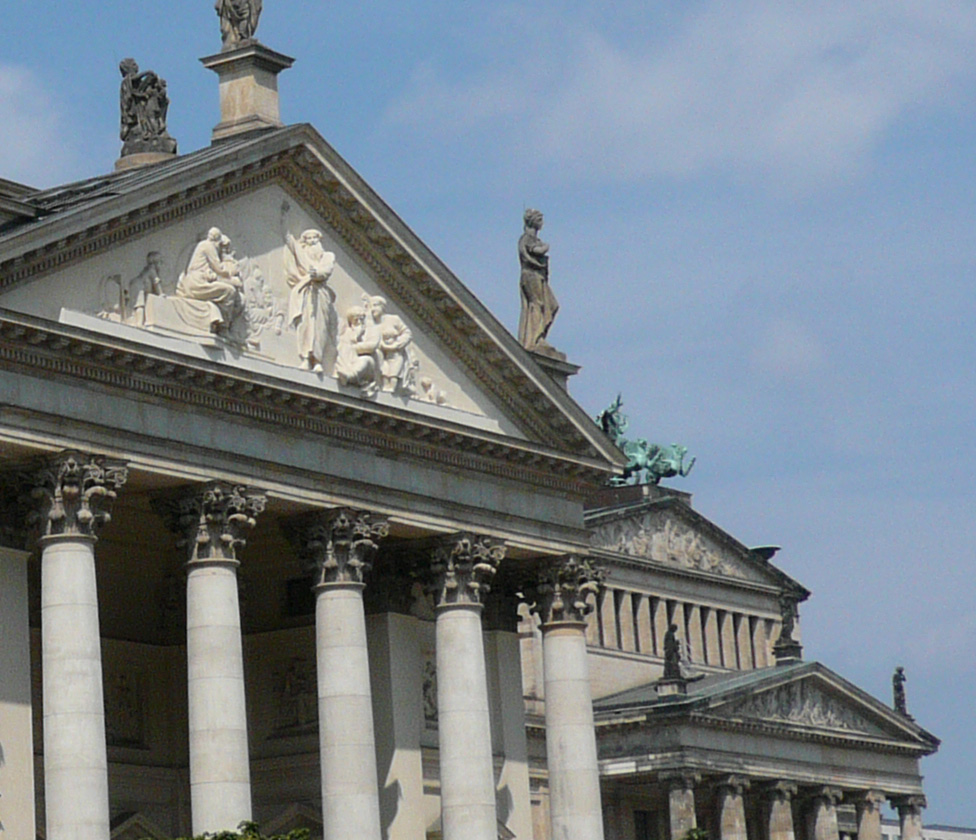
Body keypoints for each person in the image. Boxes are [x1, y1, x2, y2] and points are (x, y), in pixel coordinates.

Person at [284, 230, 337, 372]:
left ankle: (318, 360)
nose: (313, 241)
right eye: (309, 238)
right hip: (306, 294)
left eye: (315, 238)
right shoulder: (303, 256)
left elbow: (327, 269)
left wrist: (317, 274)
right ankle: (306, 358)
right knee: (305, 326)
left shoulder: (328, 256)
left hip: (321, 294)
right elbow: (294, 247)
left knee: (320, 327)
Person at [175, 228, 244, 333]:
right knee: (229, 291)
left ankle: (221, 322)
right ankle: (224, 328)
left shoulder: (203, 247)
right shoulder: (208, 246)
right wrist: (231, 276)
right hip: (197, 284)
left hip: (196, 282)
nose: (221, 250)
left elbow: (213, 273)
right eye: (221, 246)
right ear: (217, 240)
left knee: (229, 292)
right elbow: (219, 269)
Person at [517, 208, 559, 353]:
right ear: (533, 221)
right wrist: (546, 247)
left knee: (551, 305)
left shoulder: (535, 239)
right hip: (531, 275)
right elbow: (537, 251)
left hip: (538, 276)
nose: (542, 223)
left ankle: (539, 336)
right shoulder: (527, 239)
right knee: (537, 304)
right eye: (540, 219)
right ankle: (534, 340)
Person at [364, 295, 415, 393]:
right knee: (384, 371)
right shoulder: (371, 324)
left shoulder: (393, 319)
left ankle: (391, 388)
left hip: (395, 354)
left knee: (393, 373)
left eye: (375, 306)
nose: (373, 309)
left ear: (382, 307)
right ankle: (381, 385)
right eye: (371, 307)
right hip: (381, 356)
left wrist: (397, 345)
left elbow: (407, 333)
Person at [334, 306, 378, 394]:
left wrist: (354, 346)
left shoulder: (369, 331)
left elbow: (372, 346)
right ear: (351, 321)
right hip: (345, 359)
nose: (359, 322)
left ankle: (349, 376)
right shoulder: (347, 331)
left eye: (361, 319)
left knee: (367, 360)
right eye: (356, 320)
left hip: (360, 362)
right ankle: (346, 374)